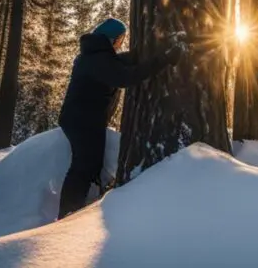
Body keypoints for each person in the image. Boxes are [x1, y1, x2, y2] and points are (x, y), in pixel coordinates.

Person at [57, 18, 184, 219]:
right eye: (120, 39)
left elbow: (120, 62)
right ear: (111, 38)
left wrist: (142, 54)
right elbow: (126, 77)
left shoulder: (94, 56)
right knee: (83, 166)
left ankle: (75, 210)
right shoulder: (97, 60)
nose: (121, 43)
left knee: (89, 164)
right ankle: (67, 214)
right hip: (82, 120)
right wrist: (164, 60)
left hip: (83, 118)